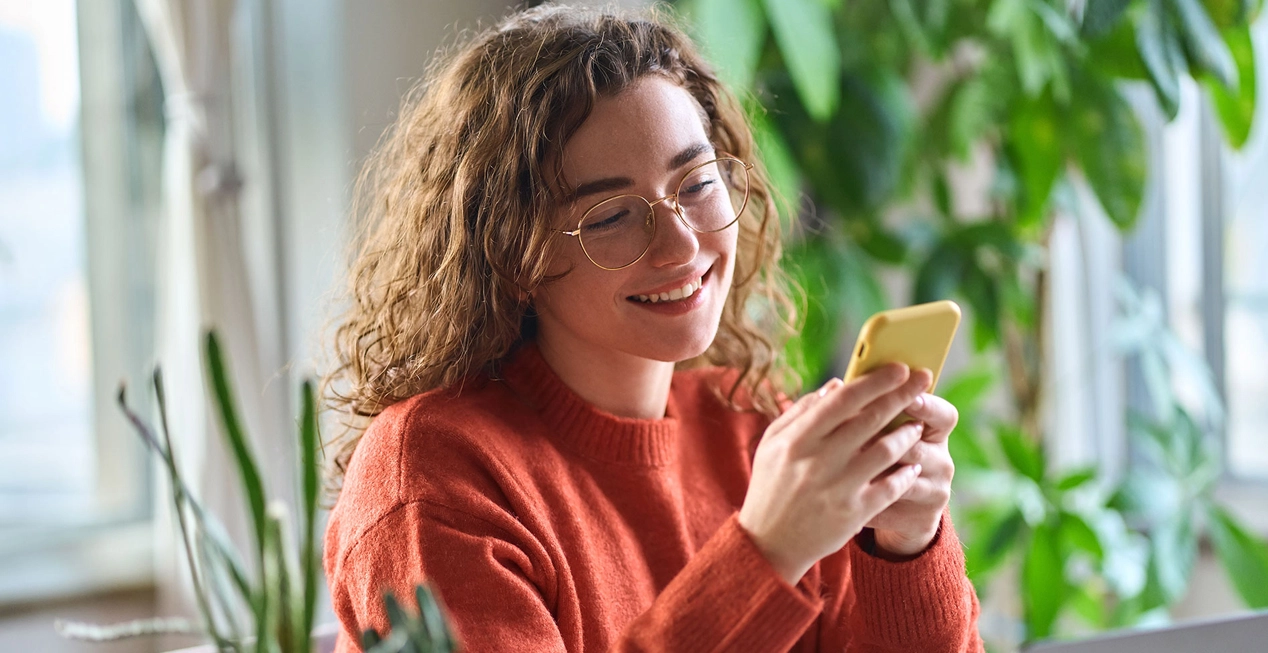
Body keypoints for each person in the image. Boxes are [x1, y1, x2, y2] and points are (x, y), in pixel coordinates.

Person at [322, 4, 982, 652]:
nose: (680, 244)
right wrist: (766, 551)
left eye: (696, 182)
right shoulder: (433, 476)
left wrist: (906, 544)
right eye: (611, 216)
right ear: (511, 253)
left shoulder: (752, 428)